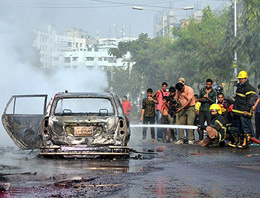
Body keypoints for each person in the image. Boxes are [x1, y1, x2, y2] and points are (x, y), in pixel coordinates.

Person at [228, 71, 256, 149]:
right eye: (240, 79)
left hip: (244, 112)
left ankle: (245, 142)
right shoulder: (239, 87)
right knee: (239, 128)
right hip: (238, 111)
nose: (240, 80)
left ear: (246, 78)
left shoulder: (249, 88)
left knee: (245, 128)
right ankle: (240, 141)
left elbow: (250, 101)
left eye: (242, 79)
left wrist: (247, 110)